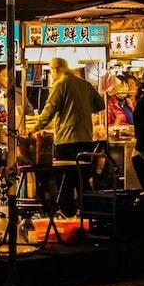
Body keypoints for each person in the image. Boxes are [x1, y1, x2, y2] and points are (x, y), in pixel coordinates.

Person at [33, 58, 105, 215]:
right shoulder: (85, 84)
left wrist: (34, 129)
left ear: (56, 69)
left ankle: (68, 217)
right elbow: (101, 104)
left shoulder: (60, 84)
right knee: (82, 181)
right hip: (86, 141)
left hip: (66, 142)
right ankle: (87, 218)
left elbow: (48, 111)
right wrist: (83, 110)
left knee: (65, 182)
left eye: (51, 70)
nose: (51, 74)